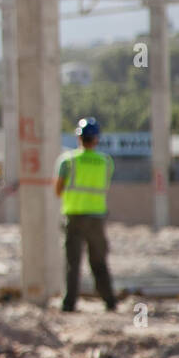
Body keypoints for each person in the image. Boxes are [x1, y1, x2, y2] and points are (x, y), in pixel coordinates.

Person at [55, 117, 118, 312]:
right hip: (97, 218)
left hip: (74, 217)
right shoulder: (106, 162)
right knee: (99, 261)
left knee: (72, 264)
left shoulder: (68, 161)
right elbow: (105, 186)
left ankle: (69, 304)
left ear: (78, 137)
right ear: (97, 139)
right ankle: (109, 301)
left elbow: (58, 189)